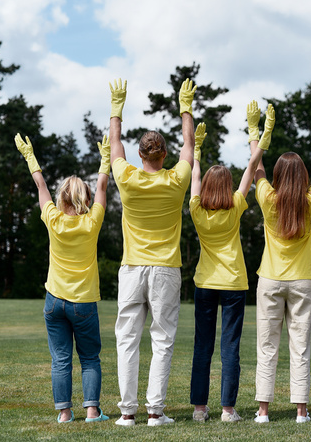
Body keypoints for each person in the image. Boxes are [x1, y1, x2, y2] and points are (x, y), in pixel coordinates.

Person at [108, 78, 196, 427]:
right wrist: (185, 107)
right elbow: (189, 144)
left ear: (141, 154)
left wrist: (117, 107)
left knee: (126, 340)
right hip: (165, 270)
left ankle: (127, 413)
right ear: (164, 154)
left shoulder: (127, 179)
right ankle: (155, 412)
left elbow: (115, 144)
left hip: (132, 269)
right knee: (162, 340)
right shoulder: (176, 182)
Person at [14, 132, 111, 424]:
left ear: (62, 198)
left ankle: (64, 413)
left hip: (54, 301)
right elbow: (104, 186)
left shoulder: (53, 219)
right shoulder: (92, 221)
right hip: (83, 303)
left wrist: (30, 157)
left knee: (61, 360)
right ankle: (92, 411)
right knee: (90, 358)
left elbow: (40, 184)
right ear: (85, 198)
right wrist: (105, 160)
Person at [188, 104, 272, 423]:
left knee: (203, 347)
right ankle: (227, 410)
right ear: (227, 186)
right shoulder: (236, 205)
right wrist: (259, 133)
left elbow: (195, 177)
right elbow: (252, 167)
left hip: (205, 284)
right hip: (234, 284)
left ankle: (199, 409)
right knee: (230, 348)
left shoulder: (197, 210)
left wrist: (196, 152)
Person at [252, 100, 311, 424]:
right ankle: (301, 412)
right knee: (300, 347)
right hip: (301, 282)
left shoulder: (268, 198)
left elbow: (255, 166)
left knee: (266, 348)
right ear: (303, 176)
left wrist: (256, 131)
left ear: (278, 175)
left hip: (269, 280)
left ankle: (263, 411)